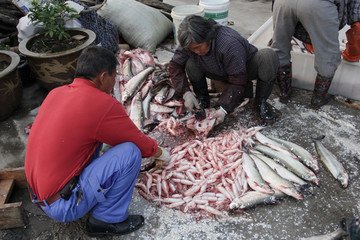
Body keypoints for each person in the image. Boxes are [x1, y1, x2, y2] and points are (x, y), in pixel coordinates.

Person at [24, 46, 170, 237]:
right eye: (114, 77)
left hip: (38, 195)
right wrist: (161, 153)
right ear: (102, 77)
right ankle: (106, 220)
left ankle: (90, 195)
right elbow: (140, 144)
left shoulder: (56, 93)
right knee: (130, 152)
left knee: (101, 141)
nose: (114, 82)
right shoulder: (101, 104)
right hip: (62, 204)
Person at [168, 15, 280, 125]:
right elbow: (175, 65)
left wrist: (224, 109)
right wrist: (185, 92)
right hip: (217, 70)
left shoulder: (229, 42)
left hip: (242, 70)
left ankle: (260, 103)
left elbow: (237, 79)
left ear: (208, 38)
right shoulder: (190, 42)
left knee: (268, 56)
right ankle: (202, 100)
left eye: (198, 47)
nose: (196, 51)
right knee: (190, 62)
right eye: (192, 49)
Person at [271, 0, 360, 108]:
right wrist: (352, 55)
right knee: (329, 56)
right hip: (319, 4)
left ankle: (284, 93)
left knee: (280, 47)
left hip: (282, 2)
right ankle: (318, 99)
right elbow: (357, 23)